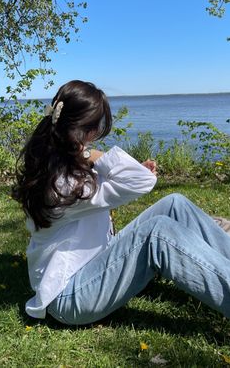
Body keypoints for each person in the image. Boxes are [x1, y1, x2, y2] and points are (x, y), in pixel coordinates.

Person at [13, 80, 230, 326]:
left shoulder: (53, 162)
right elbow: (139, 182)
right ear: (87, 131)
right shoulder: (63, 184)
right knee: (157, 233)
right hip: (68, 297)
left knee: (174, 204)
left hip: (92, 265)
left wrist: (122, 167)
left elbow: (118, 181)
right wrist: (86, 153)